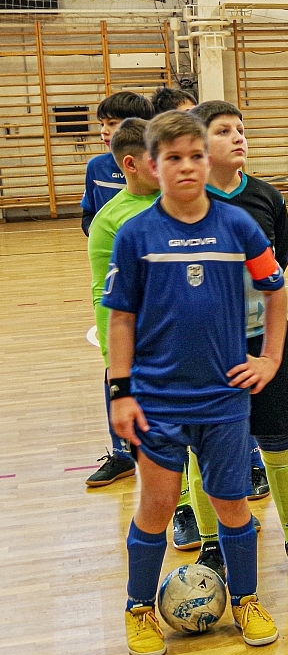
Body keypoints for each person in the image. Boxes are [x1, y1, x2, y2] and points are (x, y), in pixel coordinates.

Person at [104, 110, 285, 655]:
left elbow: (275, 290)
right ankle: (139, 608)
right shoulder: (136, 235)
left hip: (224, 399)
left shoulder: (238, 226)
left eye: (195, 156)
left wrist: (270, 359)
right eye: (173, 158)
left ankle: (246, 599)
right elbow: (120, 319)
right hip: (157, 400)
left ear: (207, 162)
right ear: (152, 165)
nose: (186, 166)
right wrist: (121, 392)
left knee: (232, 505)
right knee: (157, 505)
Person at [180, 100, 288, 579]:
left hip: (265, 340)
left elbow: (277, 266)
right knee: (204, 446)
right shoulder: (181, 202)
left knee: (279, 438)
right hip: (205, 348)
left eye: (240, 129)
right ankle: (212, 546)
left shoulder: (267, 198)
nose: (238, 137)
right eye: (224, 130)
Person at [85, 117, 157, 490]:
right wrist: (113, 363)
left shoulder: (191, 201)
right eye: (157, 156)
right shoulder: (109, 221)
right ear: (130, 164)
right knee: (161, 452)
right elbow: (104, 294)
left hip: (199, 345)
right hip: (149, 348)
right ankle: (181, 509)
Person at [81, 91, 154, 233]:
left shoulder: (158, 167)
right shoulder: (96, 167)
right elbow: (88, 214)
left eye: (112, 123)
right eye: (102, 124)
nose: (104, 131)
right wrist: (97, 233)